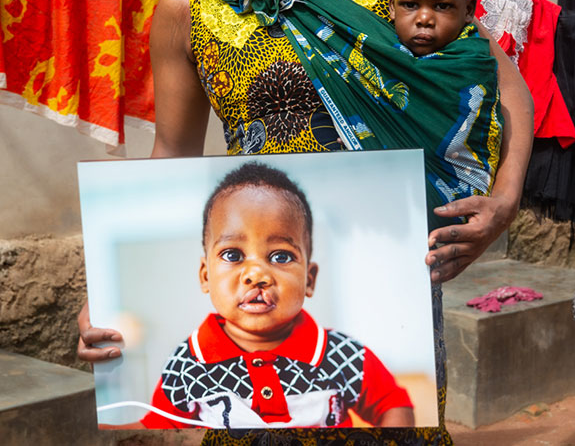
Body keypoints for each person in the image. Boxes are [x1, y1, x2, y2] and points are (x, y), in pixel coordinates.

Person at [79, 0, 534, 444]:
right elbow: (172, 158)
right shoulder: (192, 7)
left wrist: (504, 200)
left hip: (387, 295)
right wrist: (112, 295)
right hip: (253, 330)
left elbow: (499, 73)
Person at [141, 162, 415, 429]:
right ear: (205, 276)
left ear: (309, 279)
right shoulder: (188, 364)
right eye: (233, 255)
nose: (257, 275)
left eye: (280, 256)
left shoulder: (341, 354)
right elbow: (154, 431)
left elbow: (393, 405)